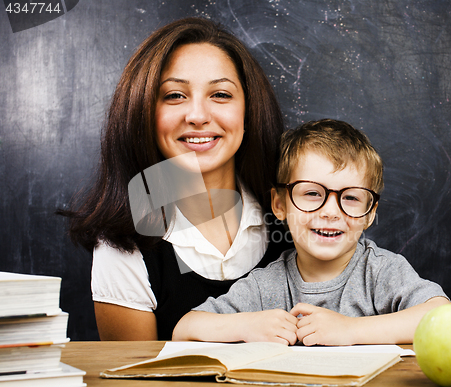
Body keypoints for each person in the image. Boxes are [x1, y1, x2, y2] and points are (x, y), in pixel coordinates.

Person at [60, 17, 292, 340]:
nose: (197, 116)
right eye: (174, 96)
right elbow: (138, 384)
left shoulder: (299, 214)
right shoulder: (123, 244)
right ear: (144, 113)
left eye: (221, 94)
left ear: (248, 112)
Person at [173, 119, 451, 346]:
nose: (331, 211)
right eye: (312, 193)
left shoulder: (380, 272)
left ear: (369, 213)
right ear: (279, 204)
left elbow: (441, 316)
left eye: (351, 198)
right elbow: (185, 329)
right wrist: (245, 325)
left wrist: (350, 330)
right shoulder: (265, 285)